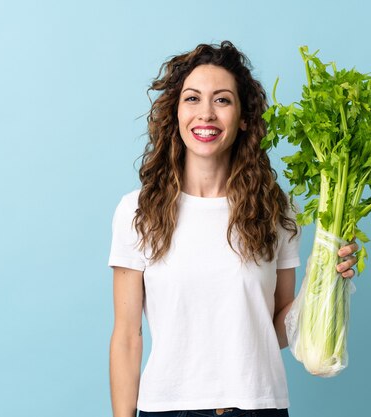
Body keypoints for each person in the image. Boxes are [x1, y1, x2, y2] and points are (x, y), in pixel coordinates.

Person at [108, 41, 358, 417]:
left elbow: (274, 329)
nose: (205, 114)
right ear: (175, 113)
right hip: (168, 409)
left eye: (222, 100)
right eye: (192, 99)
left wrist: (326, 282)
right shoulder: (137, 211)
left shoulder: (275, 209)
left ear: (243, 117)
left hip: (259, 407)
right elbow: (127, 339)